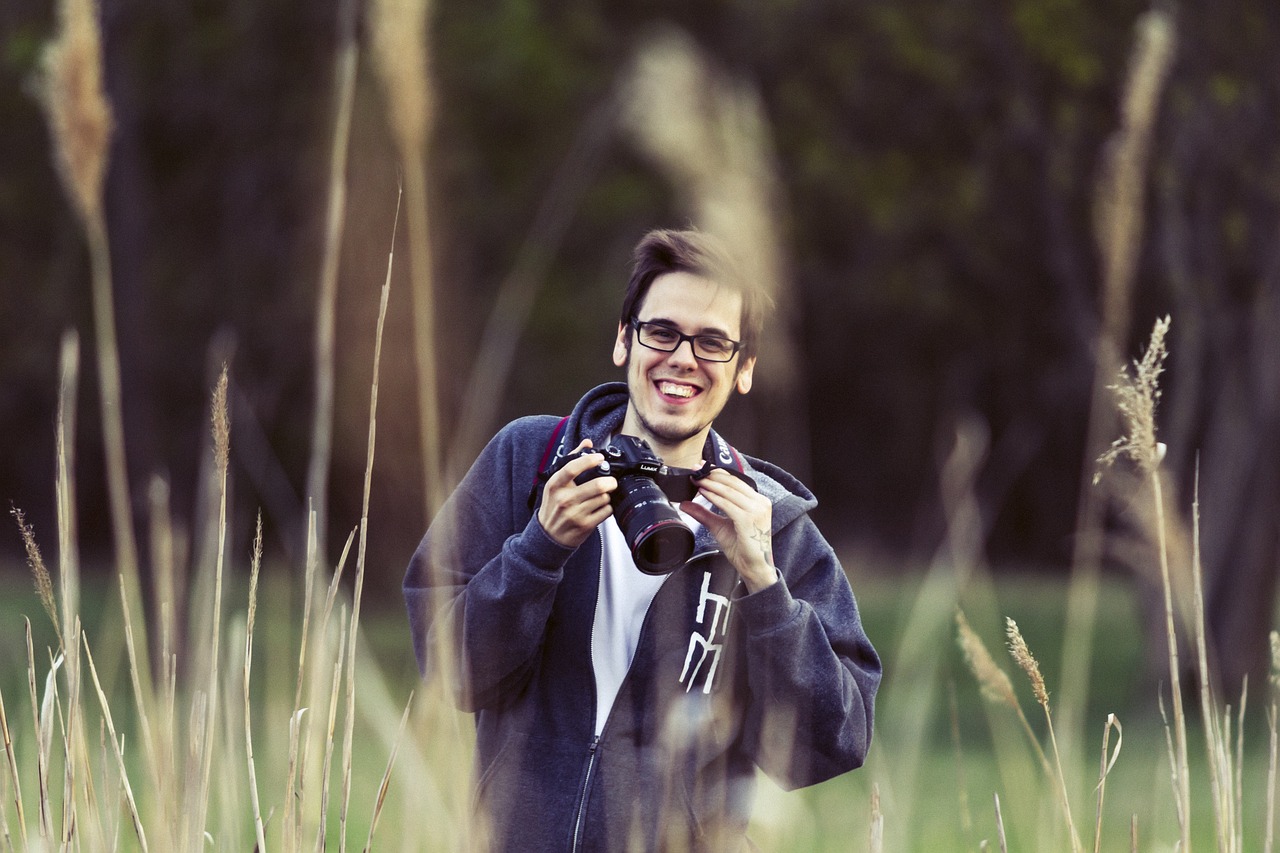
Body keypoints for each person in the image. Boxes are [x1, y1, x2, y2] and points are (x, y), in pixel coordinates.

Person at [403, 227, 881, 852]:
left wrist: (765, 588)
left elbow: (831, 743)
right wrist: (539, 550)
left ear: (745, 370)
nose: (683, 358)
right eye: (662, 332)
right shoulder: (530, 461)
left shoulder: (775, 527)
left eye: (713, 343)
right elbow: (450, 674)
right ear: (624, 340)